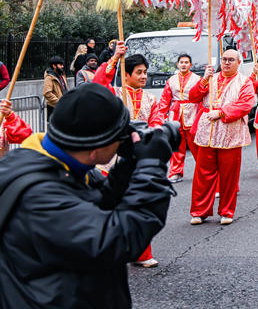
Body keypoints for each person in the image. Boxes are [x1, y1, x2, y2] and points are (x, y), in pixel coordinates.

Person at [0, 83, 174, 308]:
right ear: (94, 149)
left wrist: (129, 166)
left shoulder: (54, 162)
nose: (123, 138)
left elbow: (97, 205)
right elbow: (119, 238)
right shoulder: (38, 196)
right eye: (119, 135)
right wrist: (152, 167)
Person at [92, 45, 165, 268]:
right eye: (138, 72)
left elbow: (157, 122)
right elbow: (97, 85)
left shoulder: (152, 99)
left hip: (139, 159)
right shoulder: (114, 94)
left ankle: (140, 252)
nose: (143, 76)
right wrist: (114, 58)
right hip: (112, 160)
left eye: (145, 72)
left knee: (140, 204)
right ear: (126, 74)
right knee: (108, 206)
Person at [186, 50, 256, 225]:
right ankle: (199, 211)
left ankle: (226, 211)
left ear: (239, 62)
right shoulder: (211, 78)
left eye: (231, 60)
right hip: (207, 132)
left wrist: (222, 112)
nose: (226, 62)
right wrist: (203, 79)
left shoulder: (244, 82)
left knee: (229, 176)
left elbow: (246, 104)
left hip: (230, 133)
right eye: (224, 59)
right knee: (203, 174)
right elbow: (193, 97)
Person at [158, 54, 202, 183]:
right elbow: (165, 99)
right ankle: (176, 172)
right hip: (176, 113)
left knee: (196, 145)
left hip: (192, 112)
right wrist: (161, 115)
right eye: (181, 62)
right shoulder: (171, 80)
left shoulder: (197, 79)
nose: (183, 64)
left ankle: (202, 171)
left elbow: (200, 97)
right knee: (176, 145)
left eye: (186, 62)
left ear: (190, 65)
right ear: (178, 64)